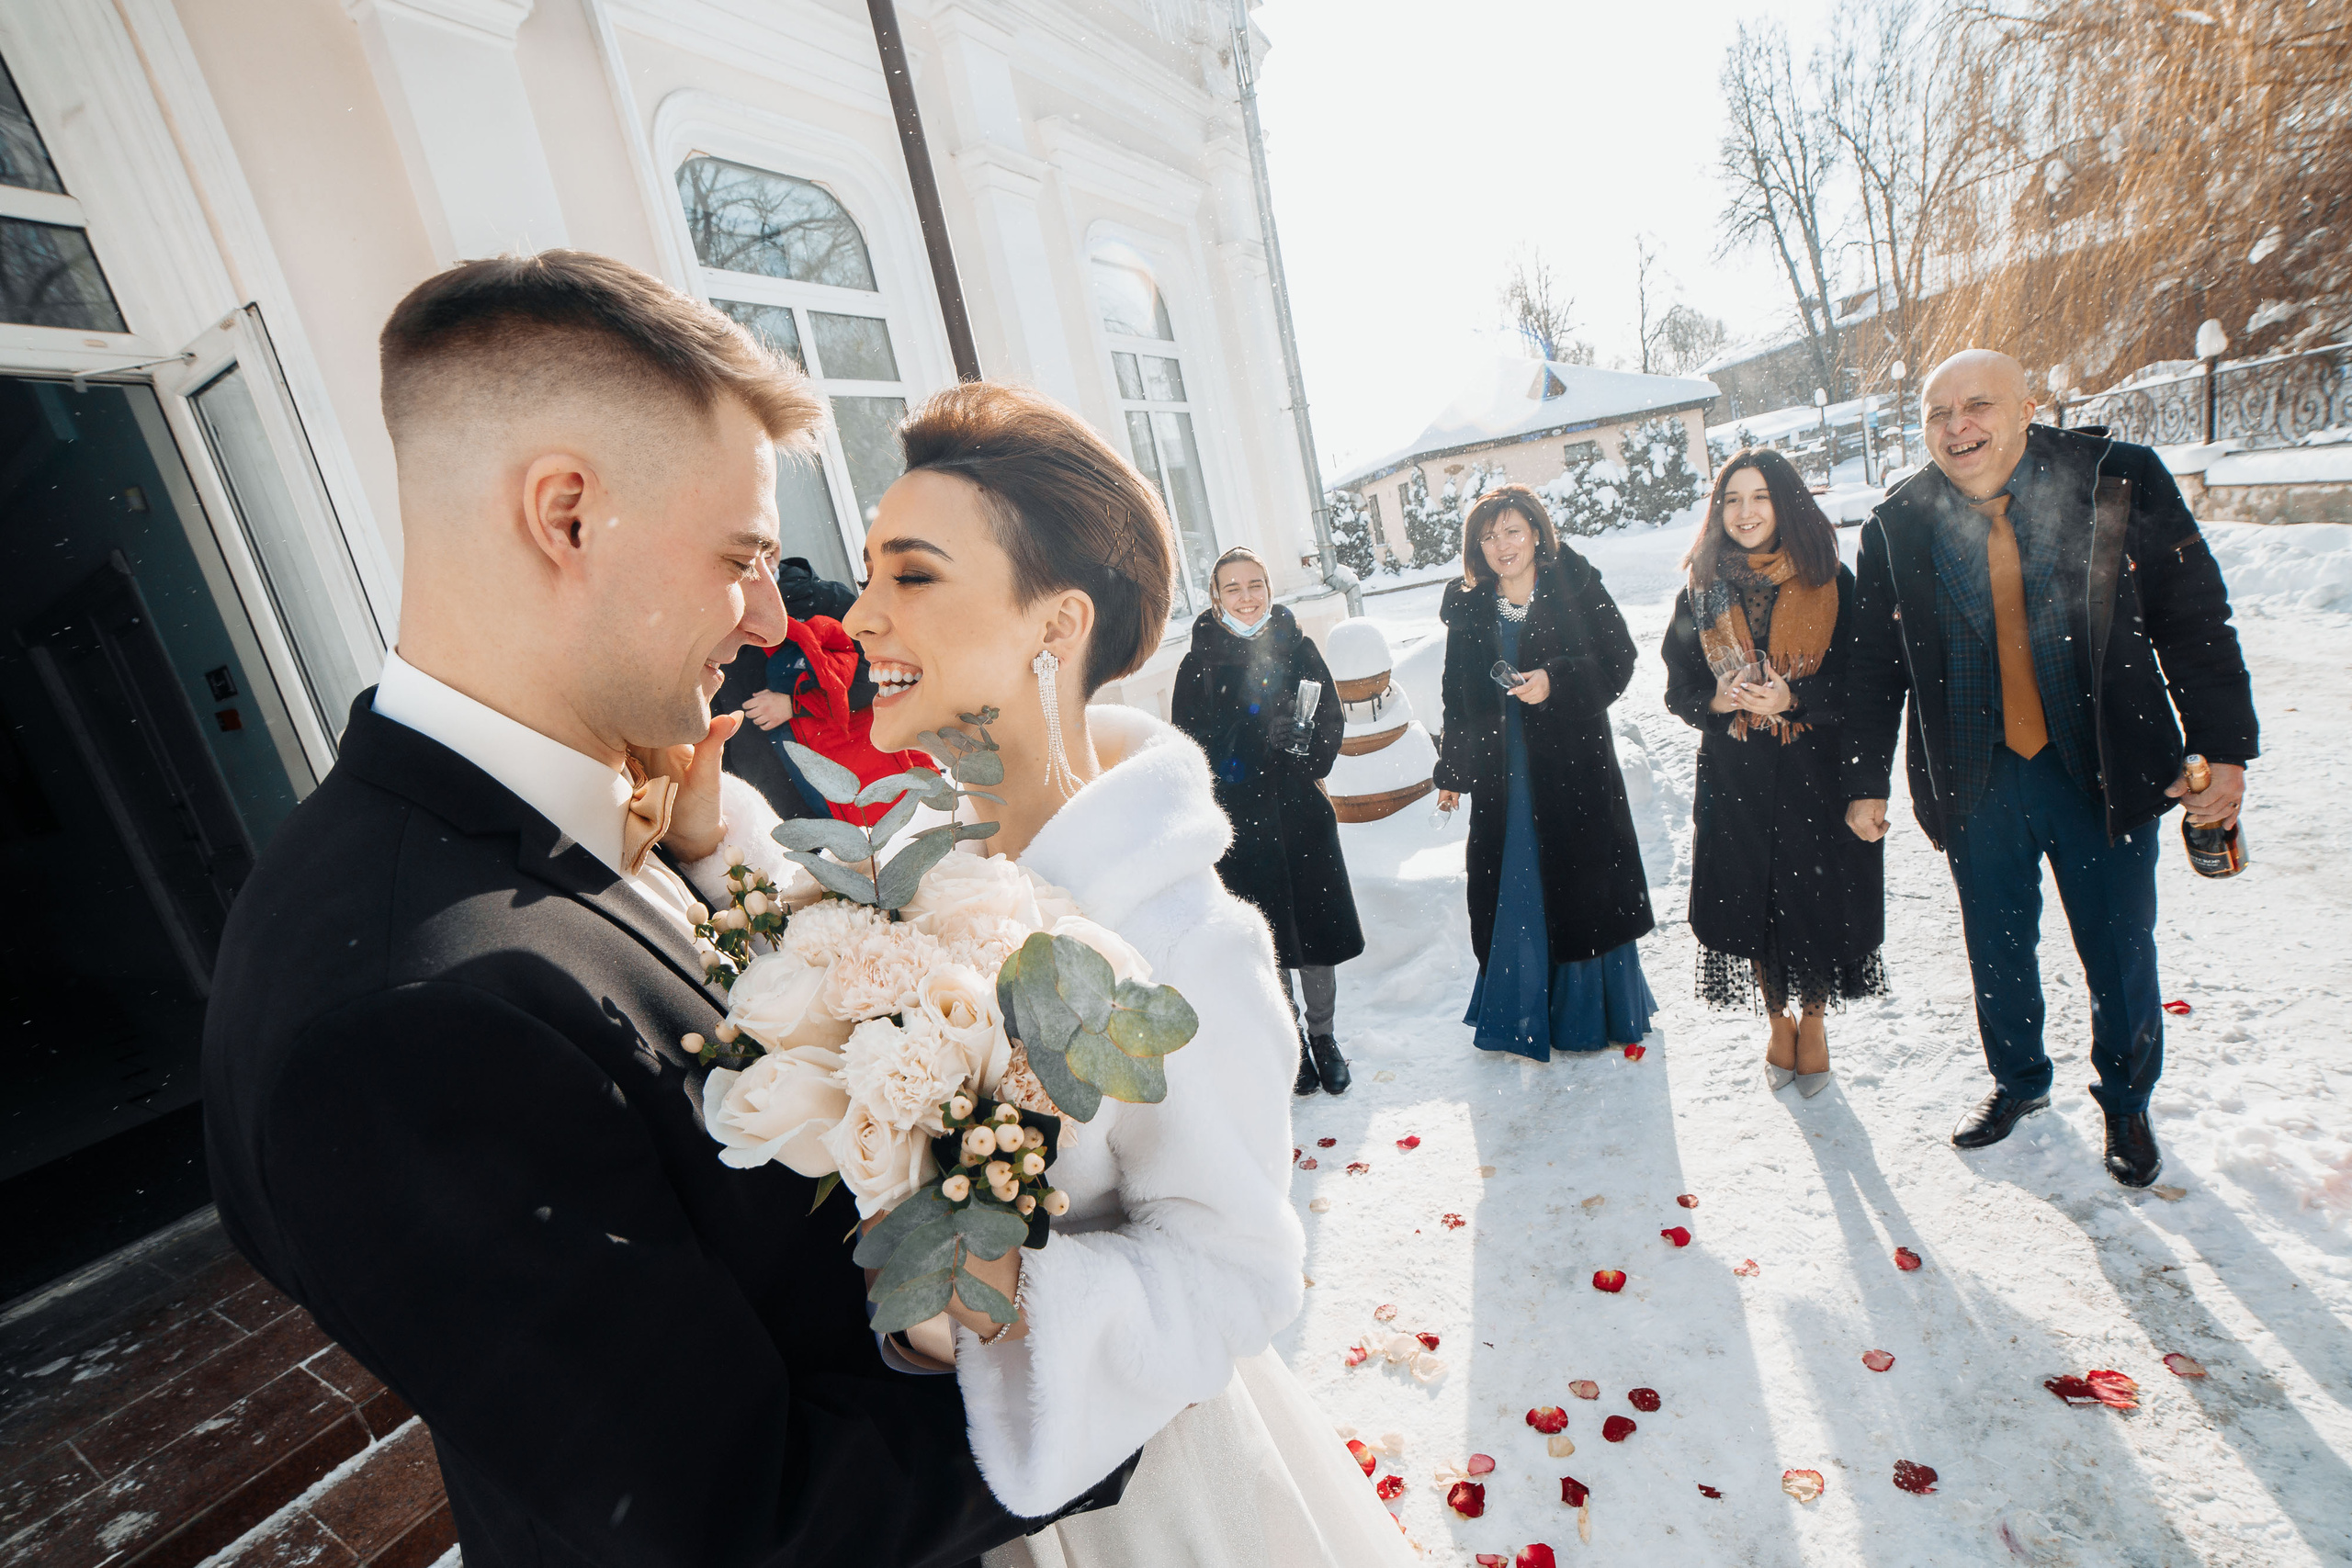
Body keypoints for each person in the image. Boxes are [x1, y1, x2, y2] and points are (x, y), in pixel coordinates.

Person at [200, 253, 1127, 1568]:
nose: (769, 616)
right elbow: (737, 1518)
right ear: (566, 515)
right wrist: (1124, 1377)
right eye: (742, 556)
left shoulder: (590, 815)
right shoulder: (394, 1016)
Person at [846, 382, 1416, 1568]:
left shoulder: (1186, 941)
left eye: (910, 574)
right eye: (867, 572)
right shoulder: (897, 889)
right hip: (929, 1503)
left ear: (1054, 626)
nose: (857, 615)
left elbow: (1240, 1270)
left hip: (1141, 1513)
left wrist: (997, 1295)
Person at [1842, 348, 2257, 1187]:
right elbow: (1875, 664)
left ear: (2028, 406)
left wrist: (2224, 748)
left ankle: (2128, 1100)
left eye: (1979, 405)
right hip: (1974, 776)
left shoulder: (2117, 479)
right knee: (1995, 950)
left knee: (2118, 948)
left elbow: (2194, 617)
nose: (1958, 427)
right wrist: (1864, 778)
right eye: (1938, 414)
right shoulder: (1896, 523)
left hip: (2099, 765)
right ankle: (2019, 1081)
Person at [1662, 448, 1885, 1096]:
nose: (1745, 511)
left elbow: (1862, 682)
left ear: (1785, 502)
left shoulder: (1830, 582)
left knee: (1814, 898)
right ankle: (1776, 1019)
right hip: (1737, 775)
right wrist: (1717, 699)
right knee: (1755, 902)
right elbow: (1679, 689)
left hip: (1817, 770)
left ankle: (1813, 1021)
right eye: (1732, 498)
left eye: (1759, 496)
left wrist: (1796, 700)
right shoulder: (1700, 592)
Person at [1433, 483, 1656, 1059]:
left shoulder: (1574, 586)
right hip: (1502, 775)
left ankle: (1586, 1014)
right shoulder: (1469, 608)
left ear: (1536, 531)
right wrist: (1454, 770)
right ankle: (1519, 1006)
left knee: (1583, 888)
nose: (1502, 545)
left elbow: (1618, 657)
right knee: (1513, 881)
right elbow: (1456, 696)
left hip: (1574, 768)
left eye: (1512, 530)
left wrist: (1557, 680)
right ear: (1476, 548)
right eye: (1488, 536)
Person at [1171, 545, 1365, 1098]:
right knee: (1271, 939)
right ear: (1215, 598)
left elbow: (1329, 718)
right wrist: (1253, 743)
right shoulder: (1199, 664)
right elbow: (1192, 750)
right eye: (1233, 588)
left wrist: (1303, 748)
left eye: (1255, 584)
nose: (1247, 597)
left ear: (1269, 589)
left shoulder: (1298, 649)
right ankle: (1293, 1043)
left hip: (1303, 815)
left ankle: (1326, 1038)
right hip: (1242, 824)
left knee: (1318, 934)